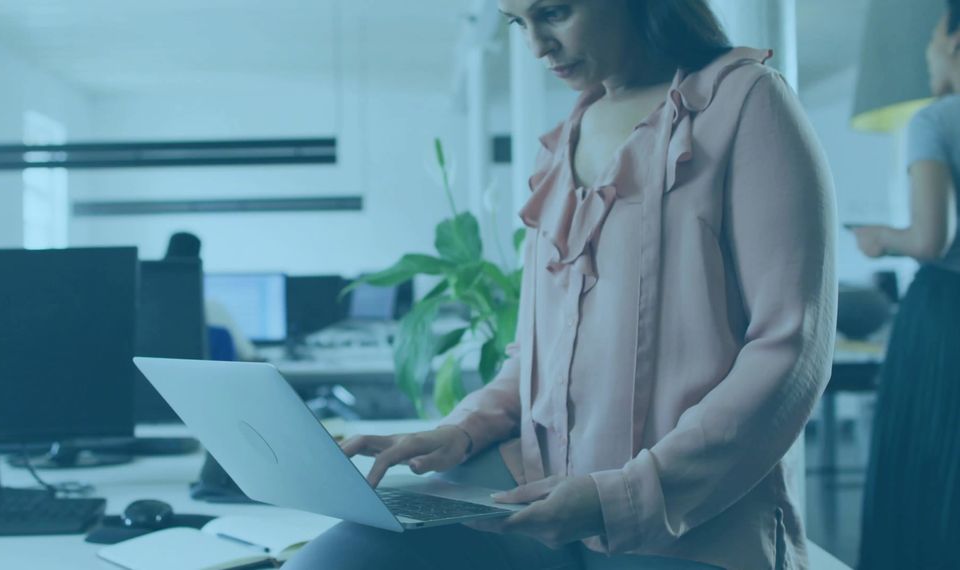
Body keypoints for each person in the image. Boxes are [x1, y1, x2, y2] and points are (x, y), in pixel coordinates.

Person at [285, 1, 836, 568]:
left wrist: (622, 497)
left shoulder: (748, 103)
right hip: (538, 489)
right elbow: (537, 354)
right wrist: (461, 429)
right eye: (517, 22)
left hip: (690, 517)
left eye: (553, 12)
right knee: (329, 561)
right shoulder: (566, 135)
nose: (535, 46)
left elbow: (789, 351)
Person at [852, 2, 960, 568]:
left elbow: (931, 239)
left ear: (954, 41)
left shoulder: (935, 122)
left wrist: (879, 239)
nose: (927, 55)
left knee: (930, 462)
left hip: (945, 318)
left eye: (931, 41)